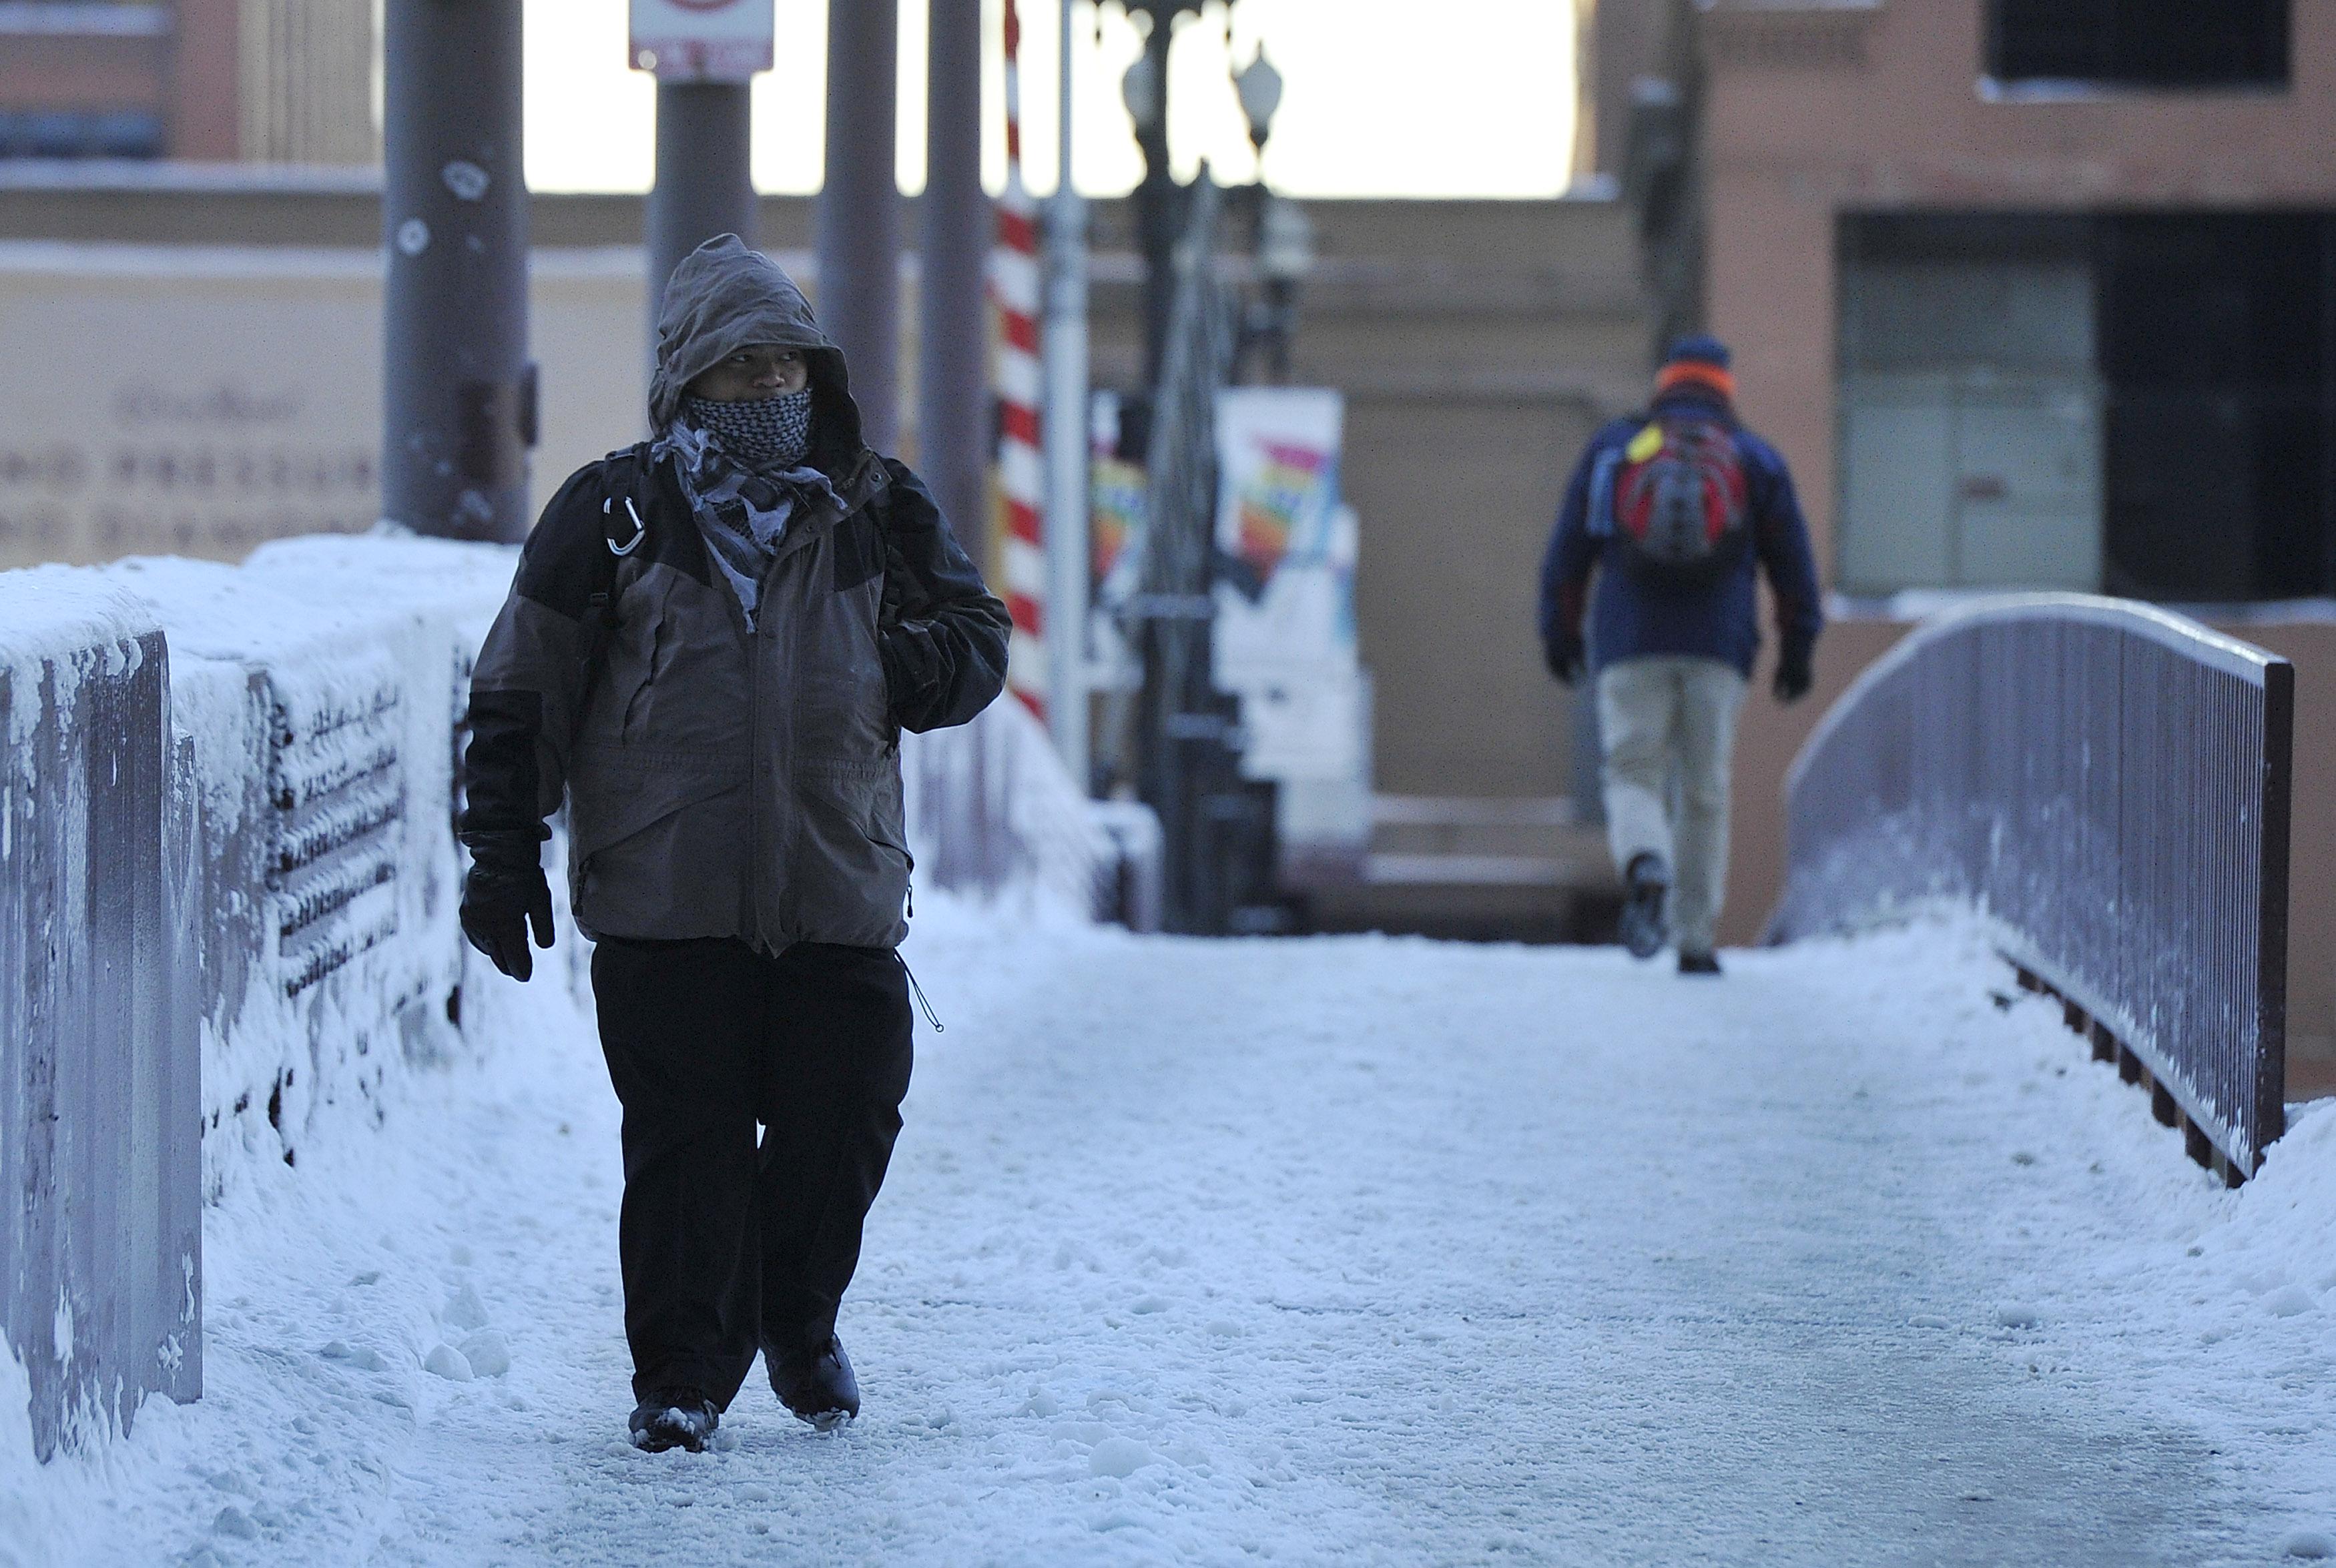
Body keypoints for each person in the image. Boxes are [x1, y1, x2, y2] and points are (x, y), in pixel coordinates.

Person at [455, 234, 1010, 1453]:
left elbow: (978, 634)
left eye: (785, 365)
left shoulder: (879, 503)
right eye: (738, 367)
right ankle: (682, 1379)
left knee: (850, 1109)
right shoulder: (611, 513)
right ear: (685, 383)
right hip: (666, 891)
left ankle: (797, 1324)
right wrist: (501, 851)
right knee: (687, 1145)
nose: (767, 389)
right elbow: (522, 686)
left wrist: (912, 666)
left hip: (837, 881)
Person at [1537, 334, 1822, 976]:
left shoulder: (1616, 450)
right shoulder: (1753, 458)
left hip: (1629, 642)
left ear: (1664, 384)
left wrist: (1560, 634)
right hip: (1718, 649)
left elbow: (1566, 556)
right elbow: (1794, 566)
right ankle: (1695, 940)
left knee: (1633, 770)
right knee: (1704, 790)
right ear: (1726, 389)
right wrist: (1797, 649)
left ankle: (1645, 861)